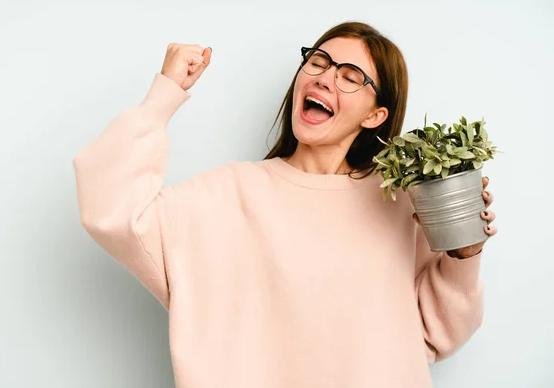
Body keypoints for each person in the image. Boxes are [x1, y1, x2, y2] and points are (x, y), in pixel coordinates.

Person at [72, 21, 497, 388]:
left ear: (375, 116)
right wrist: (163, 95)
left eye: (350, 76)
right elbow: (110, 210)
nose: (325, 78)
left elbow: (439, 333)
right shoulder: (227, 195)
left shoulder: (402, 201)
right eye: (318, 62)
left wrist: (464, 254)